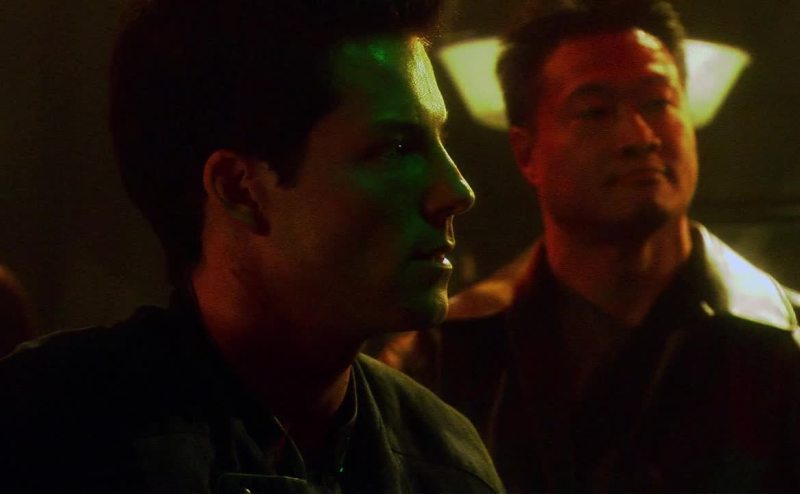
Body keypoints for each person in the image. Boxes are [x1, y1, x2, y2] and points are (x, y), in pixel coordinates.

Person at [0, 1, 504, 492]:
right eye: (396, 148)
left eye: (439, 141)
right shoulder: (48, 433)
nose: (457, 191)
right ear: (239, 188)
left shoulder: (446, 462)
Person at [379, 0, 800, 491]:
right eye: (595, 111)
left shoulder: (785, 340)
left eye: (658, 102)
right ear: (526, 152)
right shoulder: (446, 354)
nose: (638, 136)